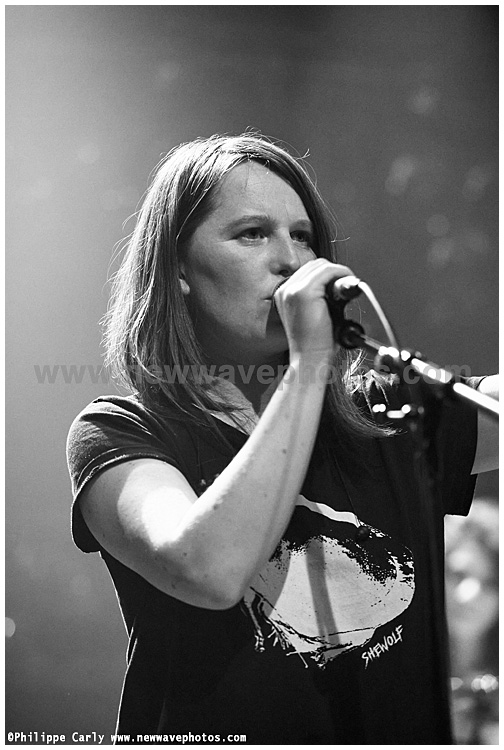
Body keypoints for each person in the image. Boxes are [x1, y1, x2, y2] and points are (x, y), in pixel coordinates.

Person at [66, 133, 498, 744]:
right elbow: (208, 569)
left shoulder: (384, 414)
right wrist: (309, 364)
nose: (292, 261)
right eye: (252, 234)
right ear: (178, 268)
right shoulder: (121, 431)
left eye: (302, 236)